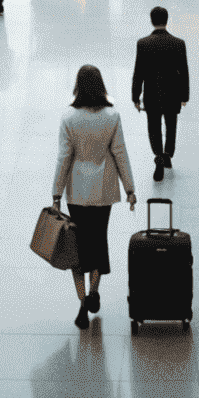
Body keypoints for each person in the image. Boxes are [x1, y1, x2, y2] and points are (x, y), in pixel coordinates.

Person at [53, 65, 137, 330]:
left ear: (77, 86)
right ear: (101, 86)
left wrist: (56, 193)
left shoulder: (69, 118)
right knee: (99, 242)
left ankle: (81, 304)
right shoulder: (112, 117)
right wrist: (130, 189)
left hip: (76, 192)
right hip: (103, 191)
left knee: (77, 249)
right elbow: (120, 153)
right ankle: (94, 291)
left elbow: (63, 158)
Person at [132, 8, 188, 179]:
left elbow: (138, 72)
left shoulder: (143, 43)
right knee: (171, 126)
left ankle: (157, 155)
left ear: (151, 20)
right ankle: (167, 154)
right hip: (172, 94)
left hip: (152, 94)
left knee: (154, 126)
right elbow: (184, 72)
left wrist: (135, 96)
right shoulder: (178, 43)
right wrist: (184, 96)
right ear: (167, 20)